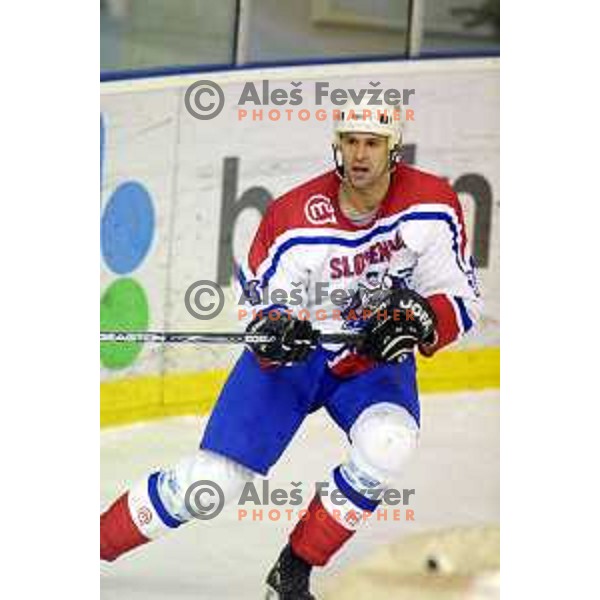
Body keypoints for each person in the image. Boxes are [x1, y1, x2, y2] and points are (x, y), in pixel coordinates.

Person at [100, 99, 481, 599]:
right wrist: (276, 328)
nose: (360, 154)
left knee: (389, 441)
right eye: (351, 142)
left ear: (393, 151)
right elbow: (259, 300)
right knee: (211, 485)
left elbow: (459, 298)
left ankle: (292, 570)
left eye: (372, 143)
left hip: (369, 358)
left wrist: (424, 321)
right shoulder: (295, 216)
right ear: (337, 147)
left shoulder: (431, 204)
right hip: (295, 361)